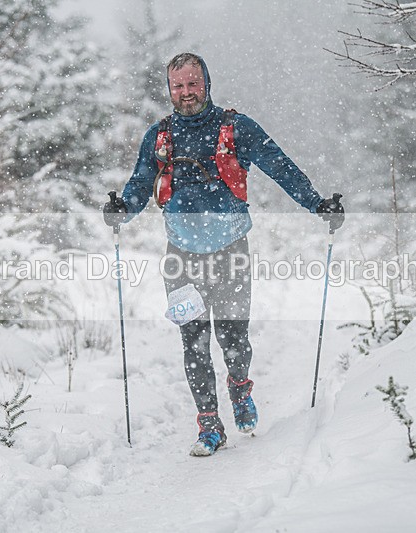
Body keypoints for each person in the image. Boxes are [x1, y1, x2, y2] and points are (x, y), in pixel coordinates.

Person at [103, 52, 344, 457]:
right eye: (178, 86)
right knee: (194, 343)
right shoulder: (158, 137)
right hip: (180, 258)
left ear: (207, 84)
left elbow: (280, 167)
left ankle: (239, 386)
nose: (186, 92)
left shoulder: (236, 128)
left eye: (192, 83)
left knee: (234, 338)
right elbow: (141, 184)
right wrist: (122, 209)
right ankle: (209, 426)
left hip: (231, 253)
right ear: (170, 90)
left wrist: (317, 204)